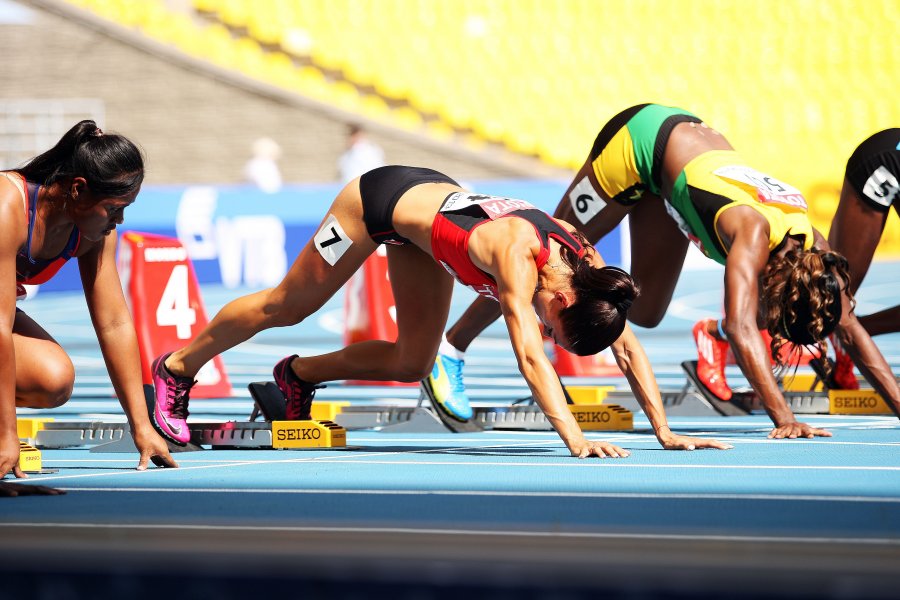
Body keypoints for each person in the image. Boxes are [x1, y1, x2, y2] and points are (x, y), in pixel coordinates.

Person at [150, 166, 730, 455]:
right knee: (289, 305)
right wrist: (574, 435)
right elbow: (529, 354)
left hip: (424, 230)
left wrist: (665, 430)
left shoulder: (584, 265)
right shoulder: (518, 258)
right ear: (559, 300)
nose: (550, 337)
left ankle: (295, 377)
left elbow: (625, 342)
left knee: (411, 362)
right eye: (558, 330)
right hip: (376, 202)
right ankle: (177, 368)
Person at [424, 104, 900, 435]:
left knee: (644, 310)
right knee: (554, 257)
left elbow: (850, 327)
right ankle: (452, 348)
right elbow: (738, 326)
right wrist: (784, 417)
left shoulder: (815, 254)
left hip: (676, 172)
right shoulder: (752, 235)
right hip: (642, 141)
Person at [0, 120, 178, 482]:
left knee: (53, 380)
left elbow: (115, 324)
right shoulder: (8, 207)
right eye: (114, 209)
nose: (120, 220)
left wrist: (141, 426)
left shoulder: (94, 234)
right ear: (79, 190)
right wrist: (6, 434)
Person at [819, 129, 900, 389]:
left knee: (833, 308)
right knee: (829, 293)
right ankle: (719, 334)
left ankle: (849, 336)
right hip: (881, 163)